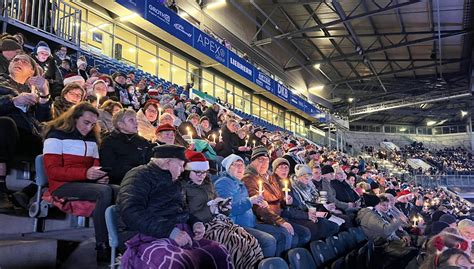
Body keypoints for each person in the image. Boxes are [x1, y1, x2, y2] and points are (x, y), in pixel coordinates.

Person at [117, 145, 233, 269]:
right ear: (168, 162)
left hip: (177, 231)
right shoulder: (138, 176)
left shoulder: (174, 181)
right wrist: (171, 232)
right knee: (178, 261)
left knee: (220, 252)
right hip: (147, 235)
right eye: (180, 165)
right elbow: (131, 212)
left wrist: (195, 222)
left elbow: (182, 210)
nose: (183, 170)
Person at [42, 102, 119, 263]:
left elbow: (95, 166)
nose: (89, 127)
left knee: (120, 190)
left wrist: (100, 176)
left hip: (85, 183)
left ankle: (123, 239)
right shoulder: (55, 136)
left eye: (92, 124)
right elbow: (53, 171)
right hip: (61, 185)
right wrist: (86, 173)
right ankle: (102, 245)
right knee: (104, 192)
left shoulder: (92, 140)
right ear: (74, 118)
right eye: (86, 122)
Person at [181, 150, 264, 269]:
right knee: (238, 244)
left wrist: (221, 205)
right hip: (204, 225)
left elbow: (219, 204)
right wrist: (213, 209)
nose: (201, 175)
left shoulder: (207, 184)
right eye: (197, 172)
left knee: (251, 242)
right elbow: (189, 214)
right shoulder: (184, 188)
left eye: (204, 172)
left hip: (219, 221)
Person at [0, 53, 51, 211]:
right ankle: (0, 190)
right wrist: (13, 101)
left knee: (59, 140)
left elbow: (43, 120)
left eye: (25, 61)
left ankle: (28, 192)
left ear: (32, 72)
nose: (19, 61)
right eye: (15, 60)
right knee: (5, 124)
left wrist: (44, 94)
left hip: (28, 136)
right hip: (6, 131)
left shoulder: (32, 92)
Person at [243, 146, 311, 252]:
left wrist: (286, 200)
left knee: (304, 233)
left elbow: (279, 196)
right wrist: (280, 221)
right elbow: (259, 207)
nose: (264, 163)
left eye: (266, 160)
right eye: (260, 160)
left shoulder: (269, 177)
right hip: (265, 219)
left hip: (278, 215)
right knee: (285, 235)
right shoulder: (249, 178)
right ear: (253, 161)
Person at [214, 154, 279, 257]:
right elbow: (227, 210)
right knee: (268, 241)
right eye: (236, 165)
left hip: (251, 223)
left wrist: (261, 203)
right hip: (236, 227)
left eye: (242, 165)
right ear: (228, 168)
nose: (240, 168)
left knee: (281, 233)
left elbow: (248, 205)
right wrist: (250, 201)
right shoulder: (224, 183)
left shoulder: (240, 183)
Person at [357, 194, 418, 269]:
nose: (387, 207)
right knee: (412, 252)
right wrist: (399, 220)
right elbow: (386, 231)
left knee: (414, 246)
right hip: (382, 246)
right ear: (377, 204)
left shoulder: (373, 213)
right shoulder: (369, 215)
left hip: (389, 241)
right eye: (381, 204)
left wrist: (401, 236)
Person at [285, 163, 339, 241]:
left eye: (310, 177)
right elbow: (300, 206)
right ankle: (320, 246)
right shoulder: (294, 188)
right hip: (304, 214)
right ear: (298, 177)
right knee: (321, 224)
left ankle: (329, 245)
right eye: (306, 177)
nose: (308, 180)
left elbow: (316, 199)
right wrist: (315, 212)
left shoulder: (309, 186)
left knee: (335, 224)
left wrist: (325, 206)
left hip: (315, 212)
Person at [99, 109, 153, 185]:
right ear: (120, 124)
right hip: (121, 182)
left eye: (136, 119)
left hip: (144, 180)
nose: (136, 123)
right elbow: (110, 168)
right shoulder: (109, 142)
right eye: (131, 120)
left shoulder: (143, 142)